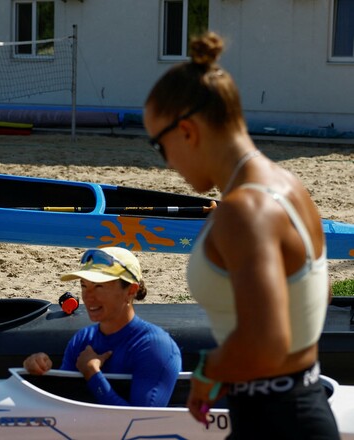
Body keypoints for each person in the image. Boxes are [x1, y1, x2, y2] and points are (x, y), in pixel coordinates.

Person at [143, 31, 338, 438]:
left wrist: (207, 371)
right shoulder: (288, 186)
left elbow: (265, 343)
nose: (166, 163)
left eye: (159, 146)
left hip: (277, 421)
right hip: (298, 403)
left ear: (188, 131)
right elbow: (319, 296)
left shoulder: (244, 211)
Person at [23, 247, 182, 407]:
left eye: (99, 286)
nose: (88, 296)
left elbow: (141, 423)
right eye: (84, 286)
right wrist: (39, 374)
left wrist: (92, 374)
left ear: (130, 291)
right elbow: (64, 405)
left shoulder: (154, 346)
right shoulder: (82, 339)